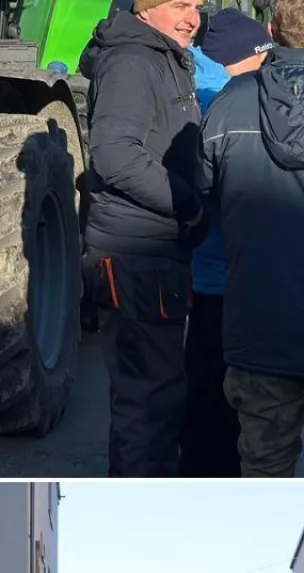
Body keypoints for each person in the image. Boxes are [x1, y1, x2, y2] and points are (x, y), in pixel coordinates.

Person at [79, 0, 206, 476]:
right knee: (148, 407)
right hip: (137, 257)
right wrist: (189, 206)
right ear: (145, 9)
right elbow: (114, 155)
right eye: (179, 4)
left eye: (198, 6)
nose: (192, 17)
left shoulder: (160, 56)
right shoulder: (135, 62)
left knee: (155, 401)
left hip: (151, 254)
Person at [200, 0, 304, 476]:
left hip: (259, 327)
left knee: (265, 471)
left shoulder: (229, 102)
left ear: (270, 30)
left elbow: (200, 199)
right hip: (261, 330)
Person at [180, 9, 271, 477]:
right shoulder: (238, 94)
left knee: (209, 393)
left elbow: (200, 188)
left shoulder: (207, 94)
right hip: (253, 277)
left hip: (212, 276)